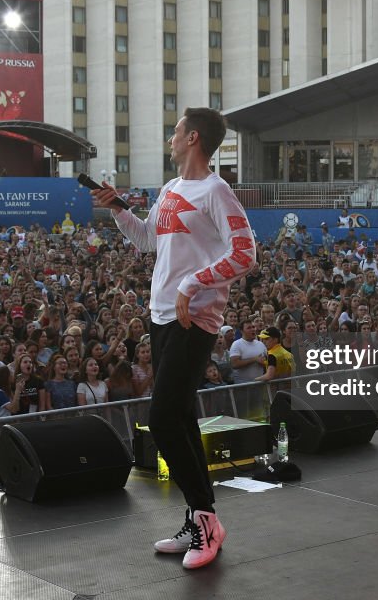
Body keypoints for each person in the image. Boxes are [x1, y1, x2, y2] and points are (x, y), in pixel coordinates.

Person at [91, 107, 255, 570]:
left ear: (193, 137)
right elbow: (148, 240)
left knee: (162, 420)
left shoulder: (216, 190)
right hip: (161, 317)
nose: (171, 136)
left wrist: (192, 283)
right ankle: (200, 519)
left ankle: (206, 522)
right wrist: (119, 208)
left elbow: (246, 252)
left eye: (177, 130)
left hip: (194, 319)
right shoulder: (170, 190)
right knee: (179, 421)